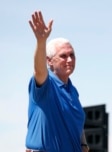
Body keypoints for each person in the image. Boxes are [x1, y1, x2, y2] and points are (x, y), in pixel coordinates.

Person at [25, 11, 89, 152]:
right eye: (63, 56)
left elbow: (75, 123)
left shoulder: (73, 91)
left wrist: (83, 145)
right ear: (49, 61)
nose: (70, 60)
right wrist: (41, 42)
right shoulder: (46, 85)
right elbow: (39, 71)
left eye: (72, 55)